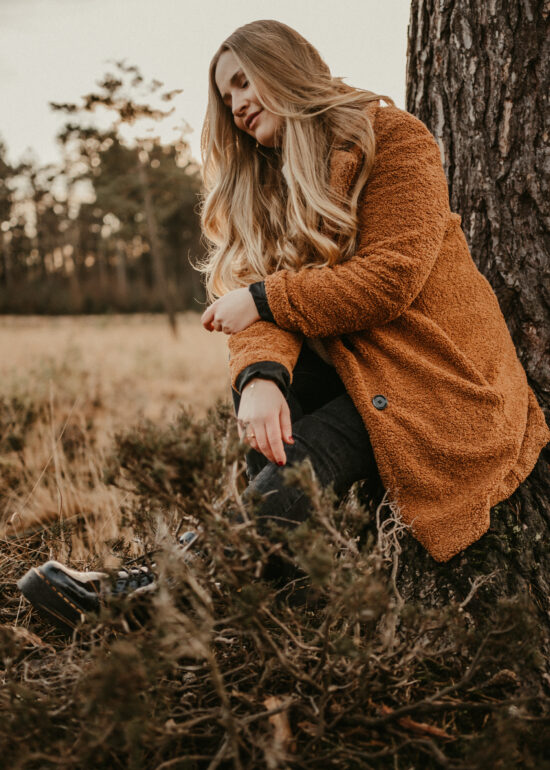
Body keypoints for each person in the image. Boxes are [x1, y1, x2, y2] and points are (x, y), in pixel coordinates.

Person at [17, 19, 550, 633]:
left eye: (245, 82)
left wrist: (265, 298)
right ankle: (270, 603)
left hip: (440, 376)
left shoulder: (391, 138)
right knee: (280, 410)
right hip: (356, 369)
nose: (238, 103)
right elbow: (253, 310)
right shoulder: (264, 187)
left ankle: (165, 590)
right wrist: (260, 378)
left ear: (286, 68)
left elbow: (390, 279)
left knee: (308, 451)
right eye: (226, 96)